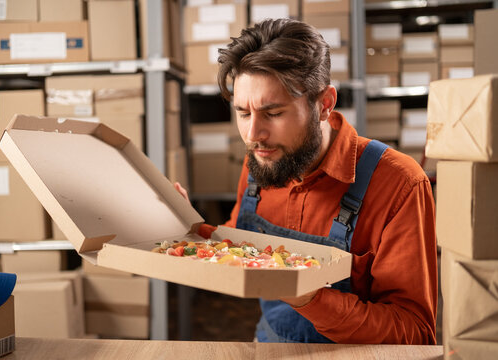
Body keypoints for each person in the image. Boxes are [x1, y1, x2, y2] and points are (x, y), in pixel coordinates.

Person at [176, 18, 437, 345]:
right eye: (243, 113)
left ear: (324, 104)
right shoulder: (262, 160)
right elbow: (240, 248)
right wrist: (188, 230)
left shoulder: (399, 184)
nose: (253, 135)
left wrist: (309, 297)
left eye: (273, 113)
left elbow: (415, 333)